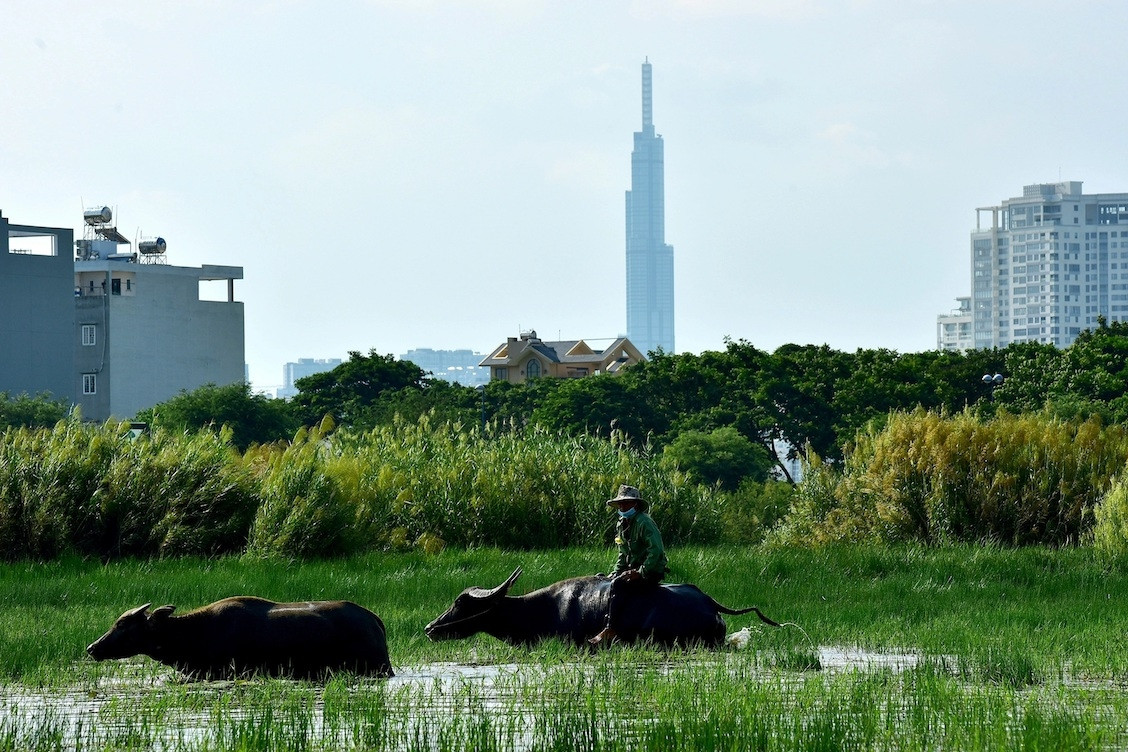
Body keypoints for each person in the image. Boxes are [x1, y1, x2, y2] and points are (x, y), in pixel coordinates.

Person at [588, 484, 668, 646]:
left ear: (635, 504)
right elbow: (623, 553)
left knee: (618, 585)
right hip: (631, 568)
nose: (623, 506)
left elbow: (656, 551)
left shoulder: (645, 523)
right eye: (621, 504)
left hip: (650, 570)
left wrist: (641, 572)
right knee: (602, 579)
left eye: (627, 503)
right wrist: (616, 572)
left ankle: (611, 629)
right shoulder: (621, 524)